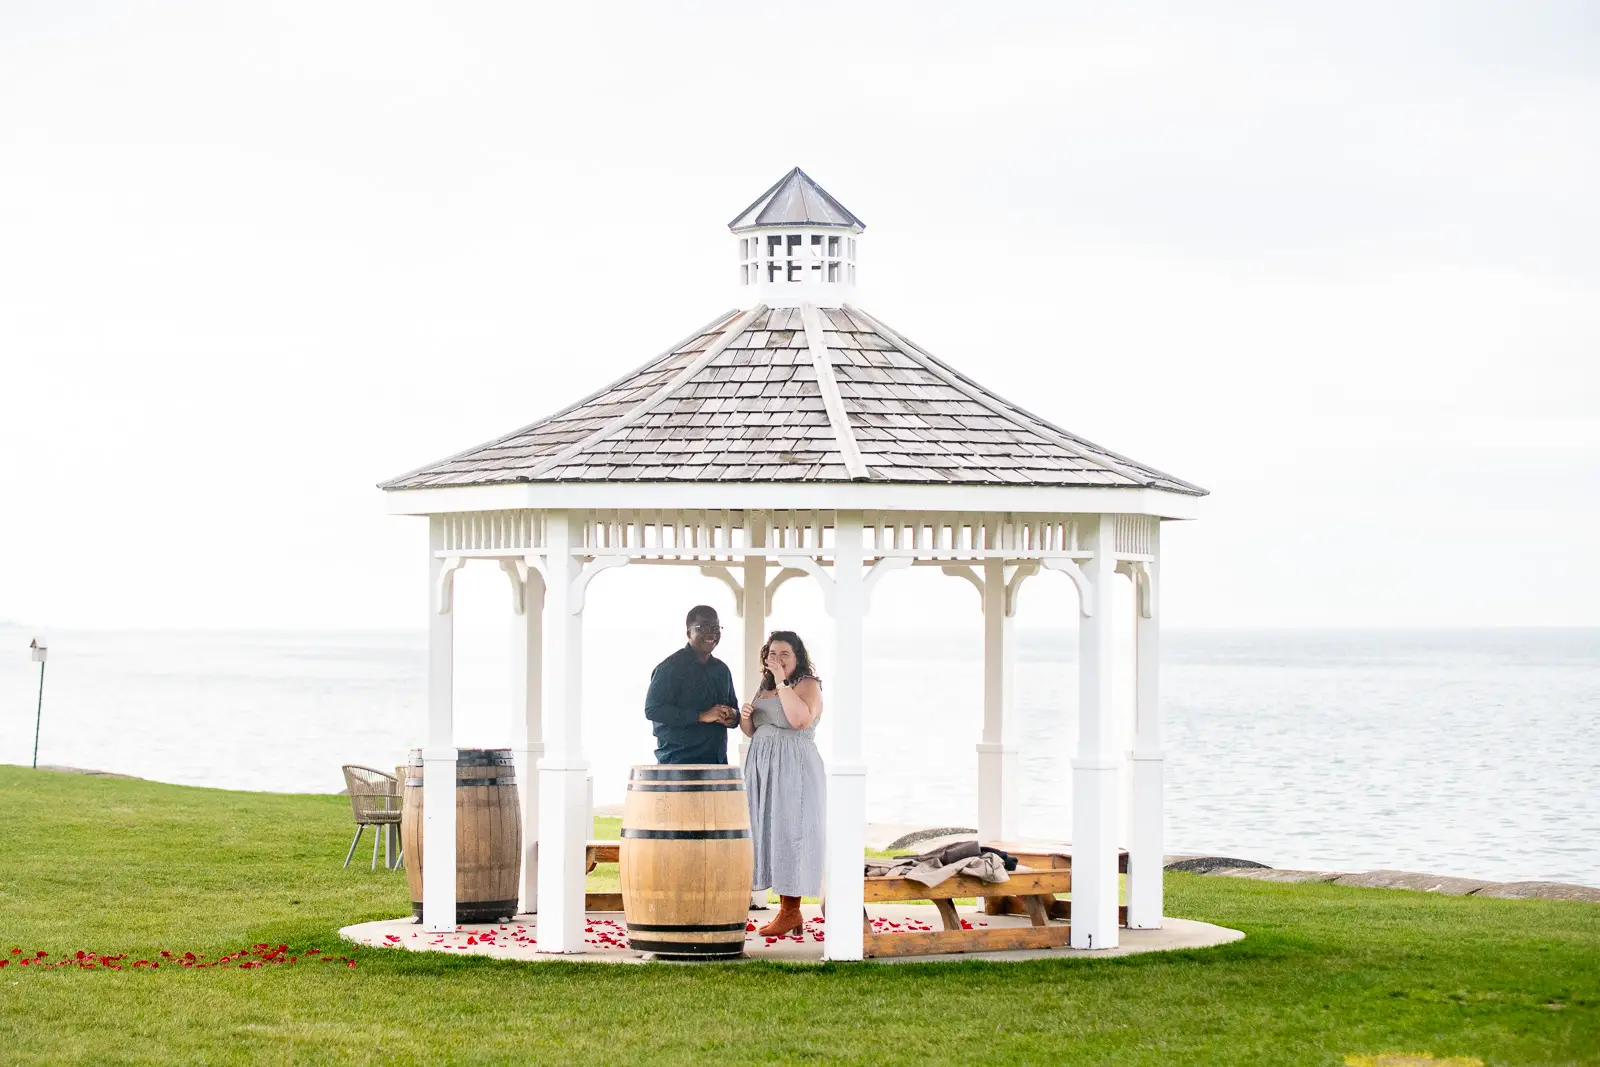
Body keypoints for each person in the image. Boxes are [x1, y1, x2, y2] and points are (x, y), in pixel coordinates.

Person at [739, 630, 826, 938]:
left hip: (793, 767)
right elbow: (753, 730)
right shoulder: (764, 686)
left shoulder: (807, 685)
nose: (776, 659)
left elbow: (800, 720)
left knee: (791, 831)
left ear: (797, 657)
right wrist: (746, 717)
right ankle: (787, 910)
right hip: (763, 768)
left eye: (784, 654)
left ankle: (791, 910)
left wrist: (780, 681)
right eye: (772, 654)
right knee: (767, 831)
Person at [644, 605, 741, 765]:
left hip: (717, 765)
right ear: (689, 632)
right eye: (704, 627)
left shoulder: (722, 670)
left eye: (716, 628)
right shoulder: (670, 668)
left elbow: (735, 712)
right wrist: (701, 716)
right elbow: (652, 710)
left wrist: (732, 717)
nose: (712, 634)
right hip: (678, 765)